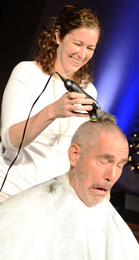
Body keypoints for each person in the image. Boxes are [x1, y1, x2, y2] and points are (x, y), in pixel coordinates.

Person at [0, 110, 139, 260]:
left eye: (120, 165)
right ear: (75, 155)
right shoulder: (19, 216)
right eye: (104, 161)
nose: (112, 177)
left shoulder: (121, 233)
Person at [0, 5, 101, 200]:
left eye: (90, 48)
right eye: (77, 43)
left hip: (49, 200)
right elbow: (10, 142)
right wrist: (52, 111)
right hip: (10, 191)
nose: (82, 54)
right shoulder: (27, 73)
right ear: (58, 37)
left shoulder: (88, 90)